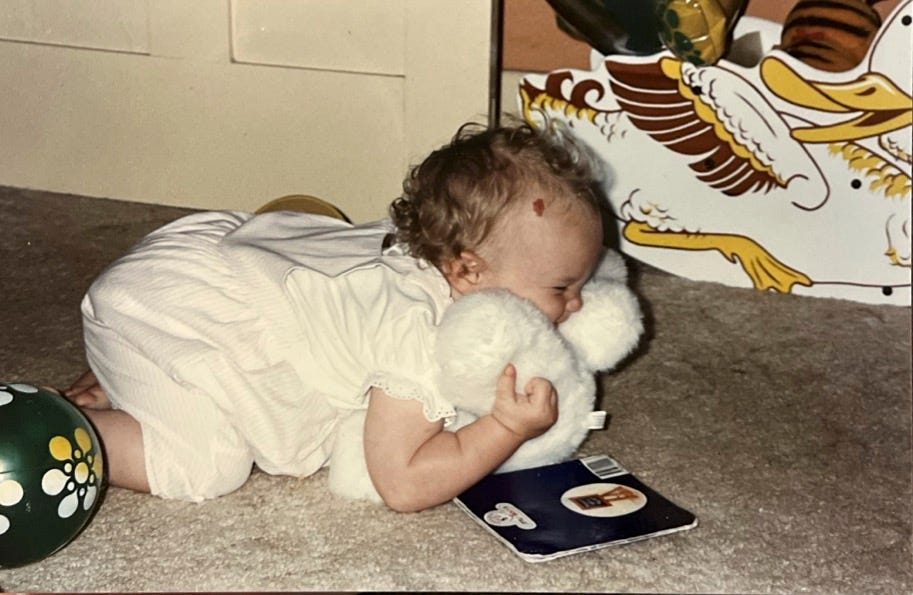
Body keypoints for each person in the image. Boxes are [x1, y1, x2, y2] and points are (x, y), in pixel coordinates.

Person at [64, 121, 606, 512]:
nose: (577, 304)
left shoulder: (429, 252)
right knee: (206, 465)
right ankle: (65, 429)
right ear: (467, 270)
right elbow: (403, 482)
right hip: (176, 309)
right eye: (562, 287)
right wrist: (505, 427)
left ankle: (133, 374)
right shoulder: (417, 331)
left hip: (203, 268)